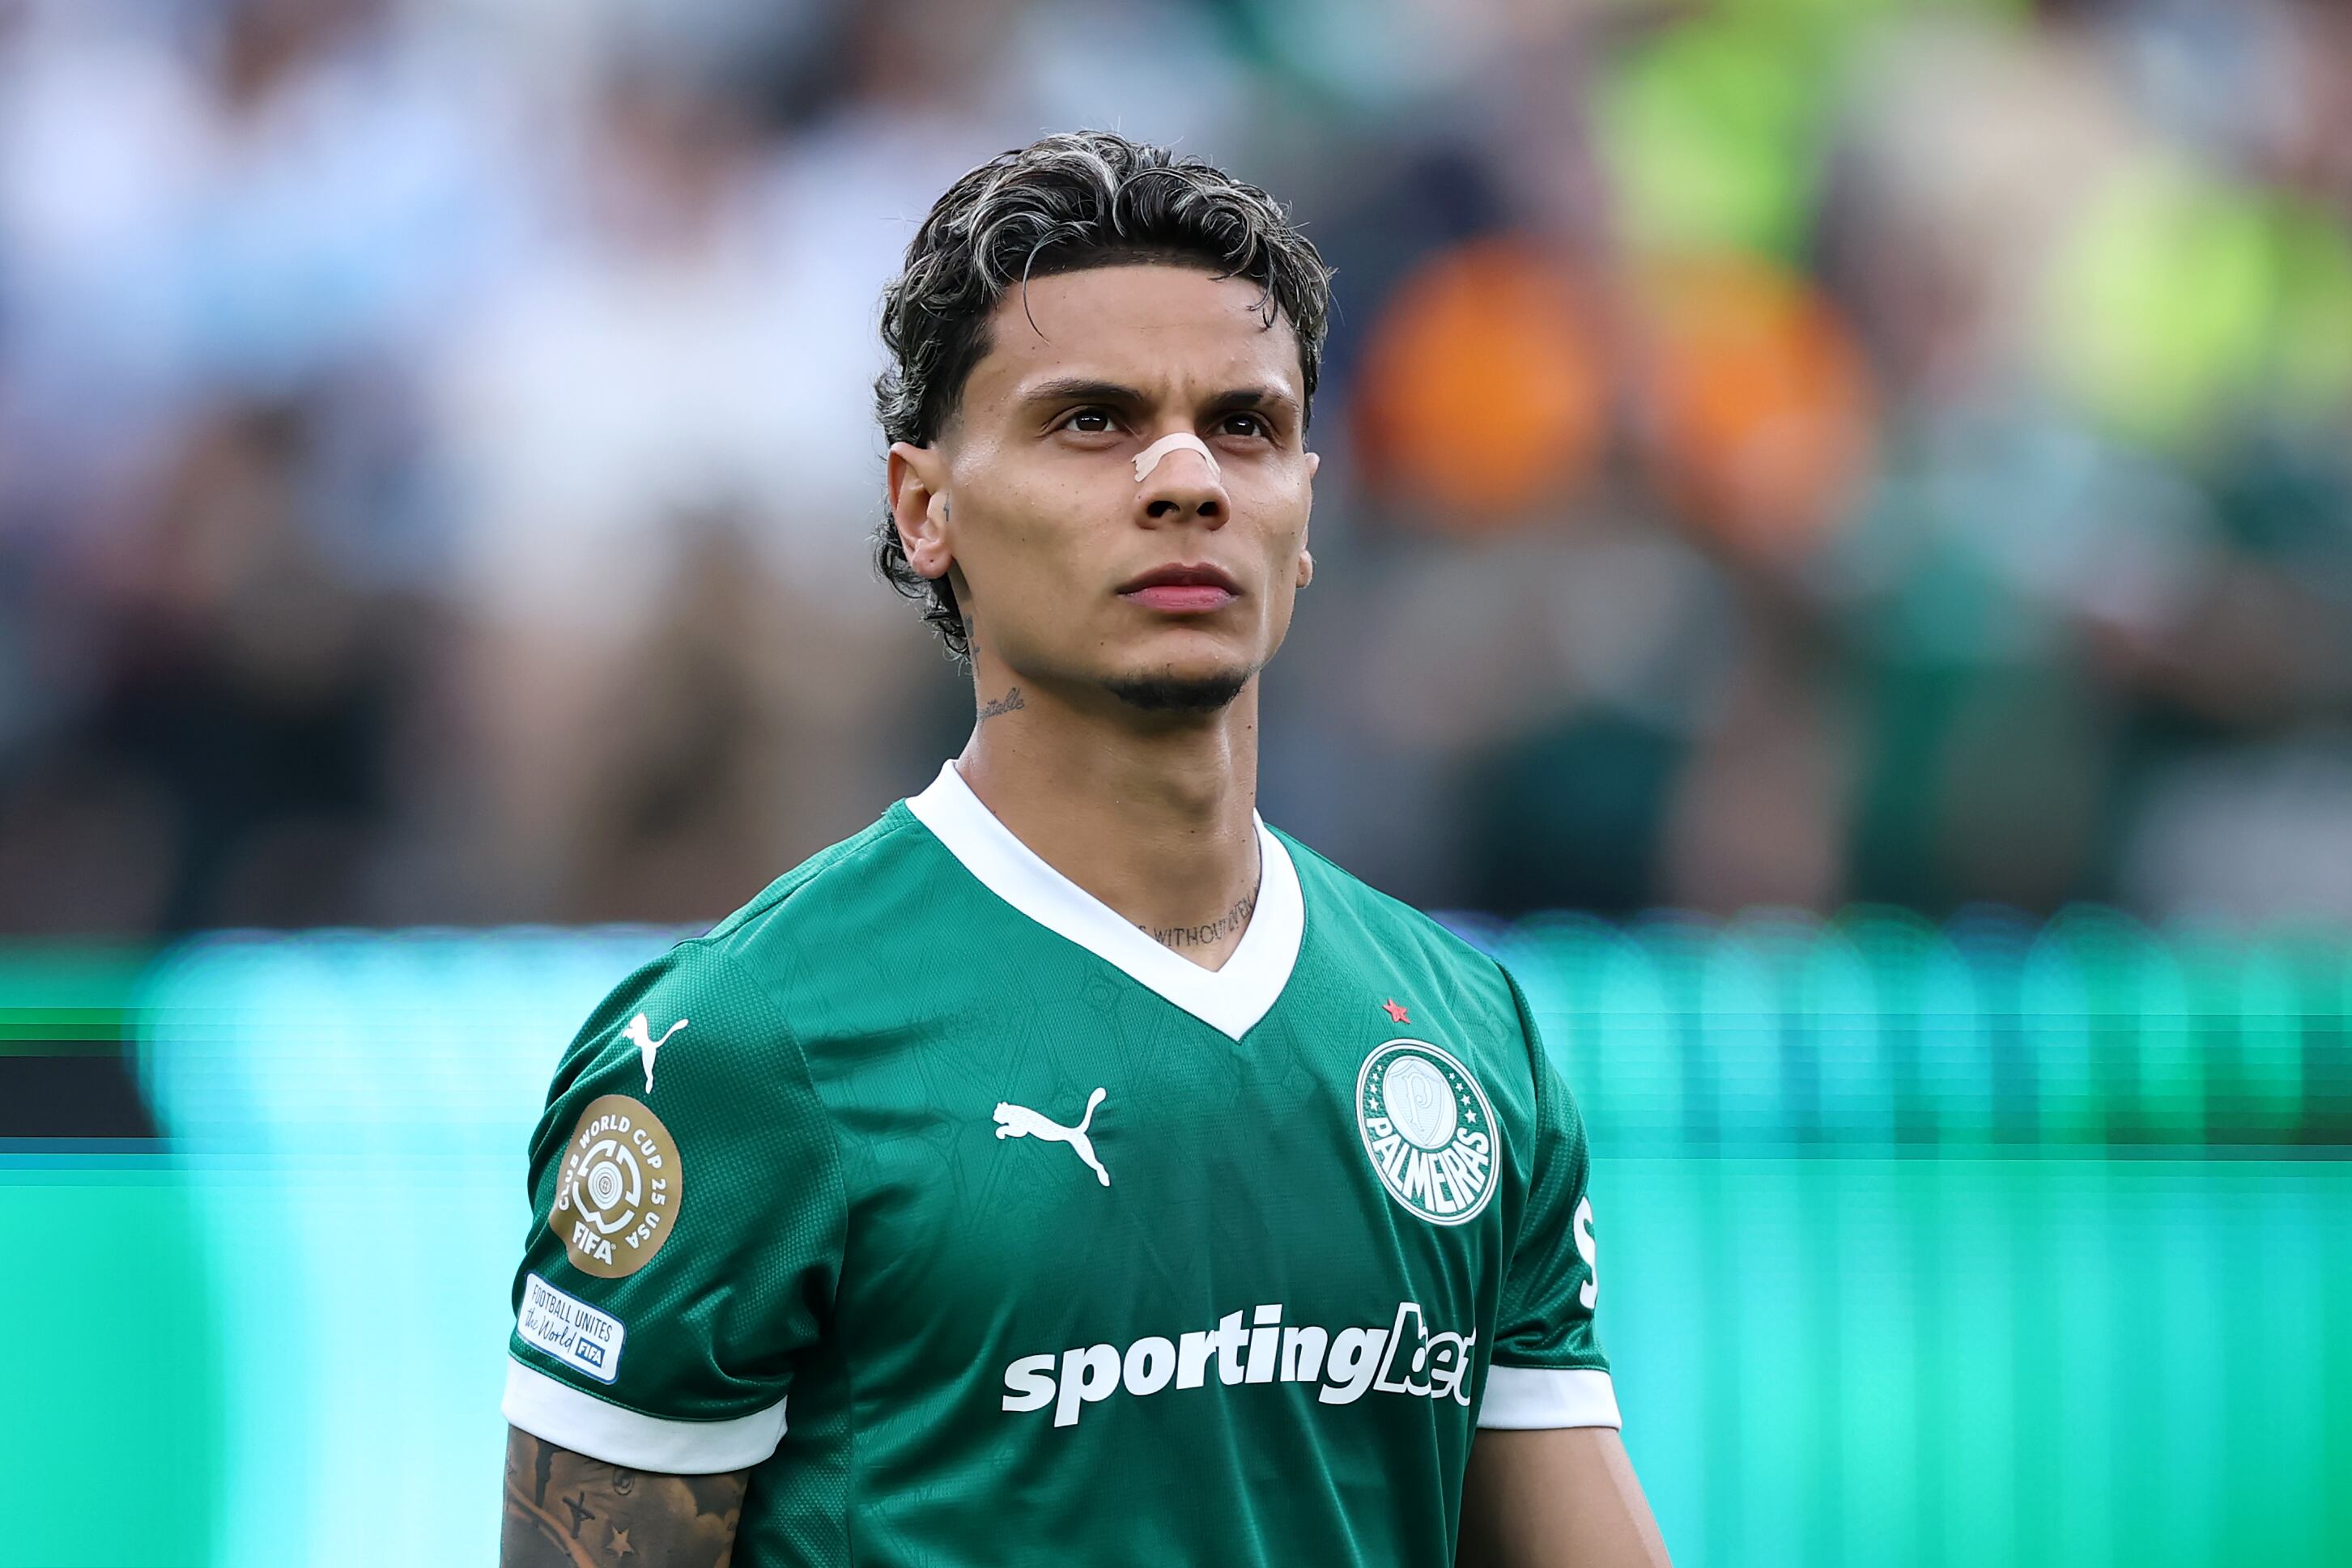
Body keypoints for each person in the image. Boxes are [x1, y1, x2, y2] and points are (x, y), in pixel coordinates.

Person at [497, 130, 1673, 1568]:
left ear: (1305, 507)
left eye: (1243, 425)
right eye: (1091, 421)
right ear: (925, 509)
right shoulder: (738, 1049)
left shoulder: (1463, 1030)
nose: (1185, 476)